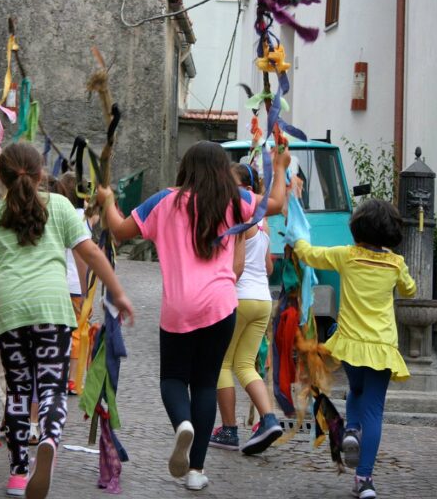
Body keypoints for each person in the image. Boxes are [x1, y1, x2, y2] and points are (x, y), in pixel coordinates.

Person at [0, 142, 134, 499]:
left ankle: (18, 475)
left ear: (1, 178)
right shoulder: (61, 207)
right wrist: (118, 293)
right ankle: (50, 439)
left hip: (9, 313)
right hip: (52, 310)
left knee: (19, 391)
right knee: (52, 387)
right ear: (41, 175)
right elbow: (91, 253)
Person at [96, 141, 289, 491]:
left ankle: (182, 424)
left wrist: (107, 199)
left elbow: (120, 230)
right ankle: (196, 470)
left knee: (172, 378)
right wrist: (279, 167)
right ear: (220, 169)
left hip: (179, 307)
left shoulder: (165, 201)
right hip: (222, 305)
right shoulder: (234, 201)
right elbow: (276, 204)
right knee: (205, 383)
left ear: (186, 166)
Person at [286, 198, 416, 499]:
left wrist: (298, 233)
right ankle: (364, 480)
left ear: (358, 228)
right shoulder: (396, 263)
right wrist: (398, 277)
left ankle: (351, 431)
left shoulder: (346, 256)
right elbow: (410, 290)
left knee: (355, 390)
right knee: (374, 408)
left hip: (351, 345)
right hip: (381, 346)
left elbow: (310, 254)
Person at [210, 163, 284, 455]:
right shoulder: (264, 221)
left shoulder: (238, 218)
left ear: (248, 190)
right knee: (244, 364)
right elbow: (268, 266)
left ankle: (229, 430)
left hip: (239, 298)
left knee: (222, 364)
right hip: (262, 300)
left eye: (232, 184)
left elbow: (236, 267)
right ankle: (268, 419)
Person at [56, 171, 97, 395]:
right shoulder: (84, 218)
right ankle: (73, 379)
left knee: (61, 331)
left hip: (57, 283)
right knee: (78, 332)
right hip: (76, 285)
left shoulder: (58, 214)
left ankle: (60, 376)